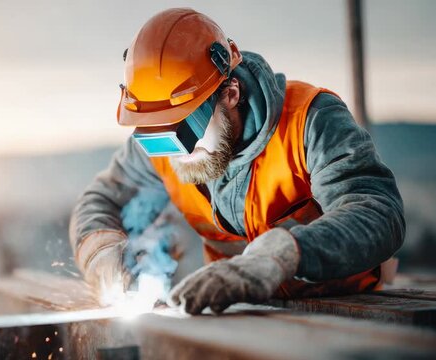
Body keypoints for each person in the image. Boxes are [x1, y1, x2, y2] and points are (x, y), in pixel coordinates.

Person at [69, 8, 405, 315]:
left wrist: (282, 254)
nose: (177, 152)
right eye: (158, 135)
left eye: (187, 129)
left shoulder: (310, 120)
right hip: (239, 317)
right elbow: (102, 200)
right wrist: (101, 252)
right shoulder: (161, 145)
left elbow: (378, 212)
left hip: (345, 313)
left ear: (230, 93)